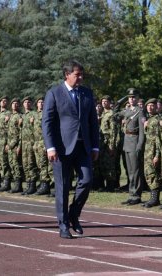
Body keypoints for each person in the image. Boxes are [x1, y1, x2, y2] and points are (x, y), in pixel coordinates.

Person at [42, 60, 100, 239]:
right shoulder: (54, 93)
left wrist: (95, 146)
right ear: (67, 75)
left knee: (87, 180)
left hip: (83, 147)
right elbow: (48, 122)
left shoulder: (86, 93)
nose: (81, 78)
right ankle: (63, 225)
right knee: (63, 187)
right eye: (77, 75)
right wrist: (50, 147)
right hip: (61, 149)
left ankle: (74, 214)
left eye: (82, 74)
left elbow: (92, 122)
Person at [115, 88, 145, 205]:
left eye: (133, 97)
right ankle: (131, 194)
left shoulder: (140, 111)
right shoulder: (127, 110)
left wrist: (139, 146)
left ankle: (136, 195)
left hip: (134, 143)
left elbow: (142, 132)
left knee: (135, 171)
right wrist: (121, 100)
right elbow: (115, 112)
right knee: (130, 172)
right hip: (127, 143)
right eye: (129, 97)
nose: (131, 99)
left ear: (137, 99)